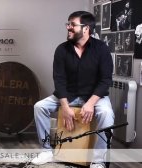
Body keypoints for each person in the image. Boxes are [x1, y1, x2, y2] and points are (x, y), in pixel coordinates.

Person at [32, 11, 114, 168]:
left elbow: (105, 80)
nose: (68, 27)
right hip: (67, 95)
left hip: (94, 96)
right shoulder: (61, 49)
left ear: (86, 28)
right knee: (39, 107)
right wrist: (65, 106)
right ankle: (47, 151)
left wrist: (90, 104)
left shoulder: (102, 49)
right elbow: (59, 80)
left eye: (72, 25)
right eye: (68, 24)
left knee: (106, 114)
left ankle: (98, 162)